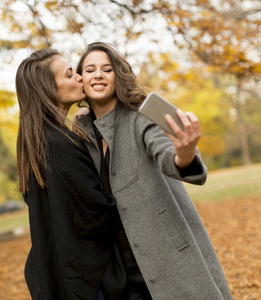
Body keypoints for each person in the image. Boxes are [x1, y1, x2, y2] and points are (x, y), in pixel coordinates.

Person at [74, 42, 234, 300]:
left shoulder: (142, 116)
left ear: (119, 75)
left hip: (169, 257)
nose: (98, 75)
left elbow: (170, 156)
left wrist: (184, 153)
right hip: (120, 275)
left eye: (107, 69)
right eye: (90, 69)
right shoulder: (81, 133)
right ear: (81, 79)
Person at [16, 48, 131, 299]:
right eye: (70, 75)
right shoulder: (58, 144)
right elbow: (96, 214)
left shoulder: (38, 142)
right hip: (88, 282)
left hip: (64, 276)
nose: (80, 77)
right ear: (48, 89)